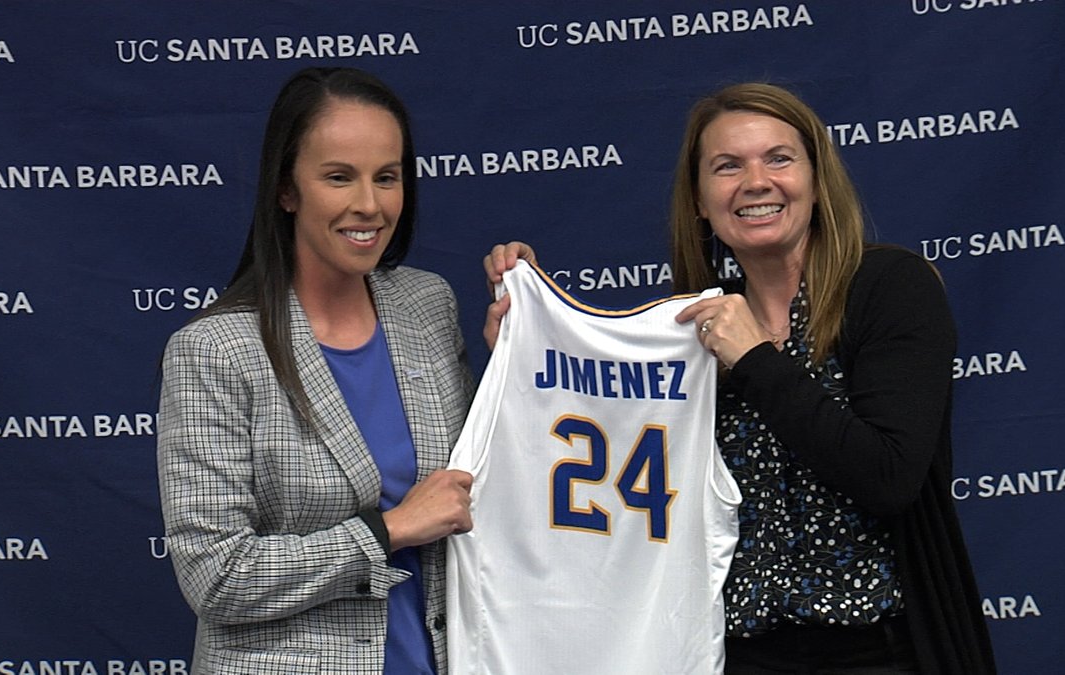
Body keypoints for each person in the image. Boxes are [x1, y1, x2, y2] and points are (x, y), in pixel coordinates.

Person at [483, 82, 996, 674]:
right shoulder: (691, 327)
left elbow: (889, 475)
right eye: (728, 167)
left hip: (884, 652)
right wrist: (529, 355)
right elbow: (616, 476)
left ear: (817, 179)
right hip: (740, 655)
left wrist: (755, 359)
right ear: (700, 200)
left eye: (779, 158)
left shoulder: (889, 287)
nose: (756, 182)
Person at [157, 66, 474, 674]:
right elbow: (216, 576)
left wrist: (523, 343)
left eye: (387, 177)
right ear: (286, 190)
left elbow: (478, 488)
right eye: (338, 177)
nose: (369, 205)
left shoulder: (428, 305)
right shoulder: (214, 350)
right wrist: (387, 532)